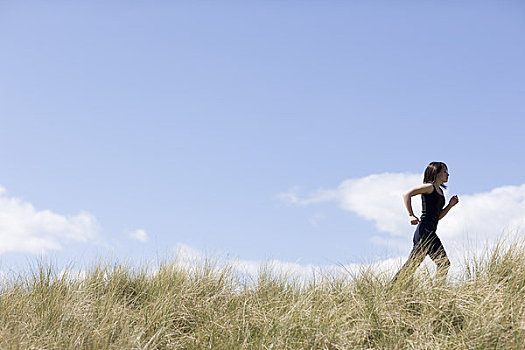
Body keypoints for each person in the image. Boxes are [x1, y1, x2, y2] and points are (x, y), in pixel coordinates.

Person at [392, 161, 459, 283]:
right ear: (436, 173)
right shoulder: (429, 187)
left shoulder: (440, 192)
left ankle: (393, 288)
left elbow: (437, 217)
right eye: (444, 171)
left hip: (430, 230)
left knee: (413, 266)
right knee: (443, 263)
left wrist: (450, 205)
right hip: (425, 231)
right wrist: (411, 215)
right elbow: (407, 194)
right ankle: (438, 292)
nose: (447, 174)